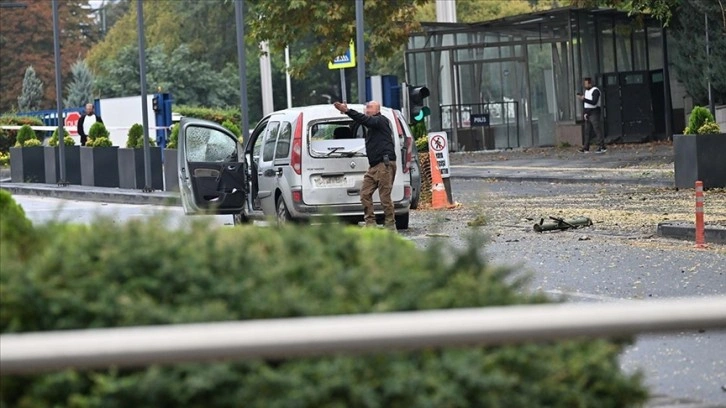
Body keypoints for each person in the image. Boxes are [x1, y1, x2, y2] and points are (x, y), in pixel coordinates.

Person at [333, 100, 397, 230]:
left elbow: (365, 120)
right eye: (366, 107)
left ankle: (390, 225)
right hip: (374, 166)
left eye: (369, 107)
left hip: (384, 164)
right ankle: (370, 223)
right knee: (365, 194)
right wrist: (347, 113)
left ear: (377, 109)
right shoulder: (372, 124)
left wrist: (348, 111)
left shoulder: (380, 120)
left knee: (385, 197)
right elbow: (361, 120)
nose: (366, 109)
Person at [577, 77, 606, 153]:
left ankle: (602, 146)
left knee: (597, 129)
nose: (585, 85)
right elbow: (586, 104)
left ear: (590, 83)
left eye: (586, 84)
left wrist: (584, 99)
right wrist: (585, 112)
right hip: (588, 112)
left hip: (594, 111)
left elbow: (594, 102)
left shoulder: (595, 91)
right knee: (587, 130)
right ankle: (586, 147)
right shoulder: (586, 91)